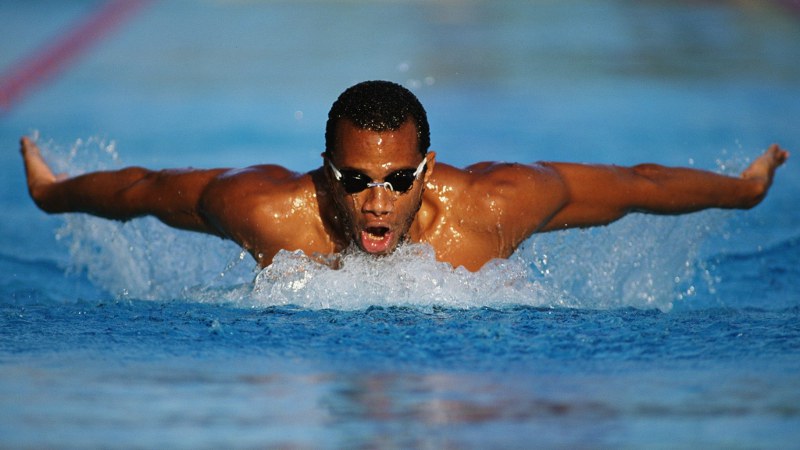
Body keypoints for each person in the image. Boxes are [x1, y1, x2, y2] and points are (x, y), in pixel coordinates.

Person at [21, 80, 789, 271]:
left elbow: (638, 186)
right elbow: (146, 190)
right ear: (327, 174)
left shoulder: (492, 207)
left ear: (427, 168)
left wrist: (745, 190)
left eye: (395, 179)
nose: (377, 203)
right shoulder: (271, 214)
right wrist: (54, 194)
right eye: (354, 182)